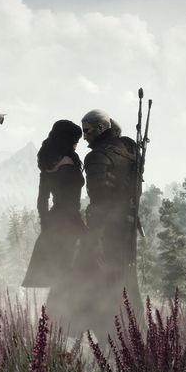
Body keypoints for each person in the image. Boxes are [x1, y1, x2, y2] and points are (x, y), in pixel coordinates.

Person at [77, 109, 144, 341]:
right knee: (127, 278)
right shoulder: (130, 151)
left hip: (107, 230)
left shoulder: (95, 157)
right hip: (128, 225)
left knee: (101, 282)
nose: (84, 136)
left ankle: (110, 338)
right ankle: (138, 334)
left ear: (101, 128)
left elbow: (100, 199)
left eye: (87, 130)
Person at [22, 120, 86, 322]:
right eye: (75, 140)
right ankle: (62, 321)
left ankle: (54, 322)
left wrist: (47, 224)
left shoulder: (48, 164)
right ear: (66, 139)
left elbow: (42, 201)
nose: (77, 144)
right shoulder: (68, 161)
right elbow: (61, 203)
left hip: (57, 224)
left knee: (62, 275)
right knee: (71, 274)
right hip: (70, 224)